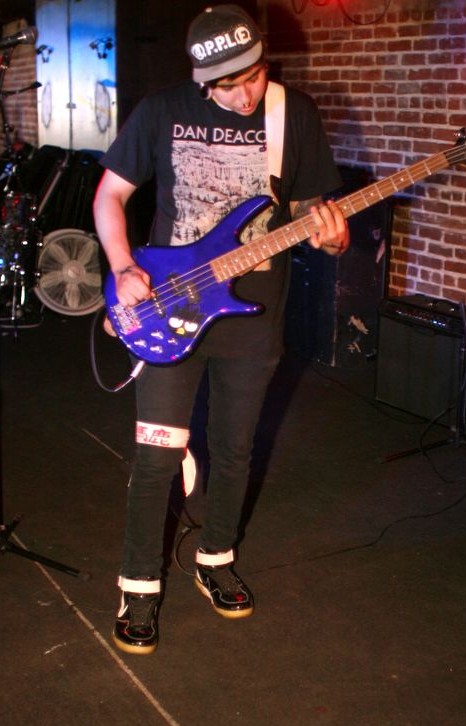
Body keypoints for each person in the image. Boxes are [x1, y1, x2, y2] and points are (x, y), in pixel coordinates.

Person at [93, 3, 349, 655]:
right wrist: (122, 267)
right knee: (157, 453)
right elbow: (110, 195)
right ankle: (138, 585)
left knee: (235, 448)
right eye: (229, 85)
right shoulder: (162, 109)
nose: (245, 95)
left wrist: (330, 233)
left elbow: (310, 208)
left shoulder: (294, 113)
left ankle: (216, 558)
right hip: (168, 304)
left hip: (251, 314)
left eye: (254, 77)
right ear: (201, 80)